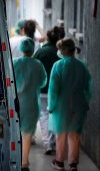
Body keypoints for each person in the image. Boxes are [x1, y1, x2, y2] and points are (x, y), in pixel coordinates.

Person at [48, 38, 92, 171]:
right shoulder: (81, 66)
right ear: (73, 50)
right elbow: (88, 86)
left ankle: (60, 162)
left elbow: (53, 89)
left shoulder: (58, 66)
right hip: (79, 105)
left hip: (61, 106)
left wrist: (51, 106)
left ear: (62, 50)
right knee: (74, 135)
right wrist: (86, 101)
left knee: (61, 134)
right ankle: (73, 164)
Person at [13, 37, 47, 171]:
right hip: (31, 103)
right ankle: (24, 162)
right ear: (33, 49)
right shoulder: (38, 64)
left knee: (15, 132)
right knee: (27, 134)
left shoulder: (15, 63)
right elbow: (43, 82)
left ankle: (14, 158)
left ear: (21, 49)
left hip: (16, 103)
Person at [33, 26, 63, 155]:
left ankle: (48, 144)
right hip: (58, 91)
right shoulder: (61, 53)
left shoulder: (40, 52)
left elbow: (33, 67)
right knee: (56, 115)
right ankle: (56, 142)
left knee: (44, 115)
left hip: (42, 90)